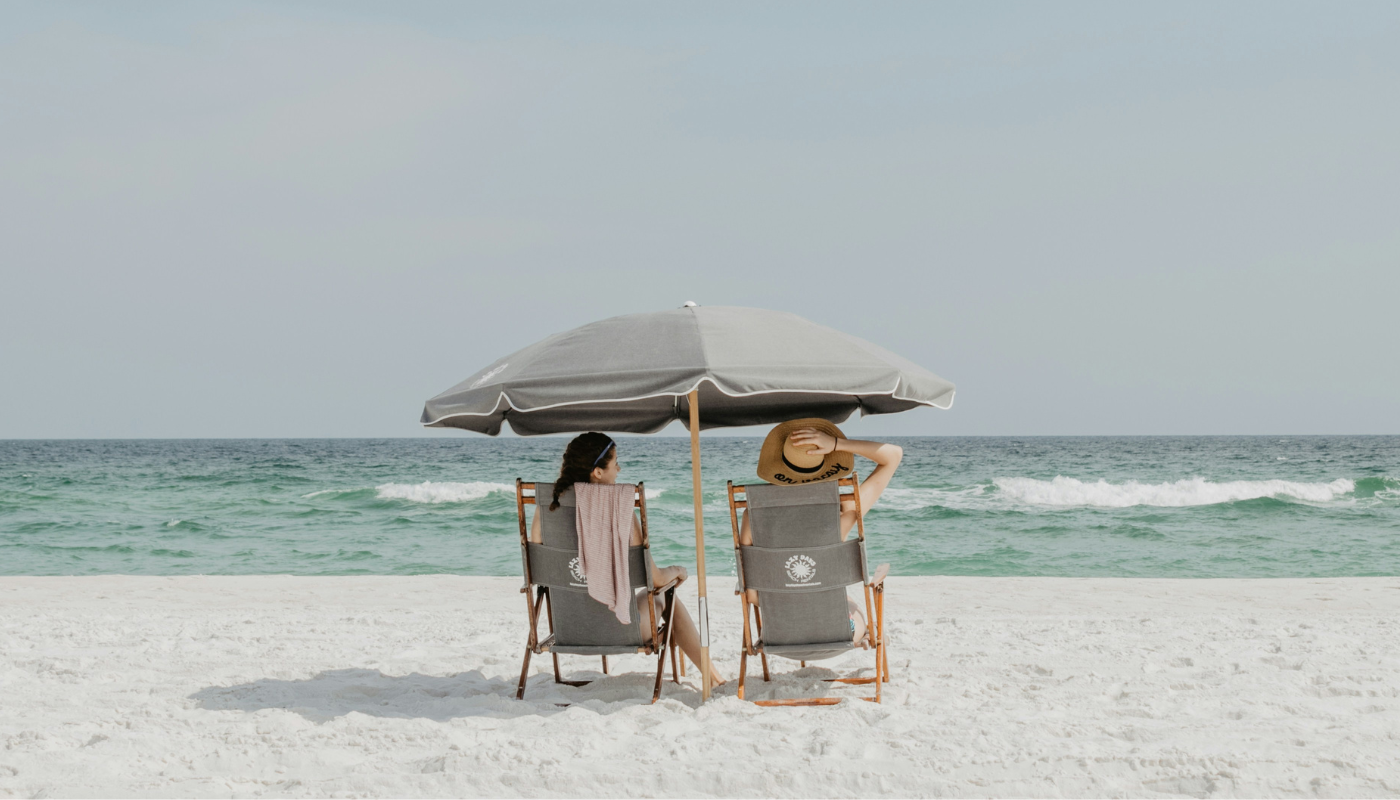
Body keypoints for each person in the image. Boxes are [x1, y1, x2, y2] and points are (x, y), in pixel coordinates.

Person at [531, 432, 723, 689]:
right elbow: (653, 579)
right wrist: (677, 571)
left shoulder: (546, 510)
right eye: (615, 463)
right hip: (622, 629)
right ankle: (715, 679)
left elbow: (539, 570)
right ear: (597, 472)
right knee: (667, 597)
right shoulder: (620, 510)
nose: (619, 470)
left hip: (568, 628)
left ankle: (713, 677)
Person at [739, 419, 903, 645]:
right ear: (825, 466)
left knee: (837, 598)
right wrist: (836, 444)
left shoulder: (752, 516)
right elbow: (893, 455)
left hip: (779, 635)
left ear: (778, 465)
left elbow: (752, 594)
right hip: (839, 633)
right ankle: (864, 632)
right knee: (851, 606)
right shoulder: (842, 516)